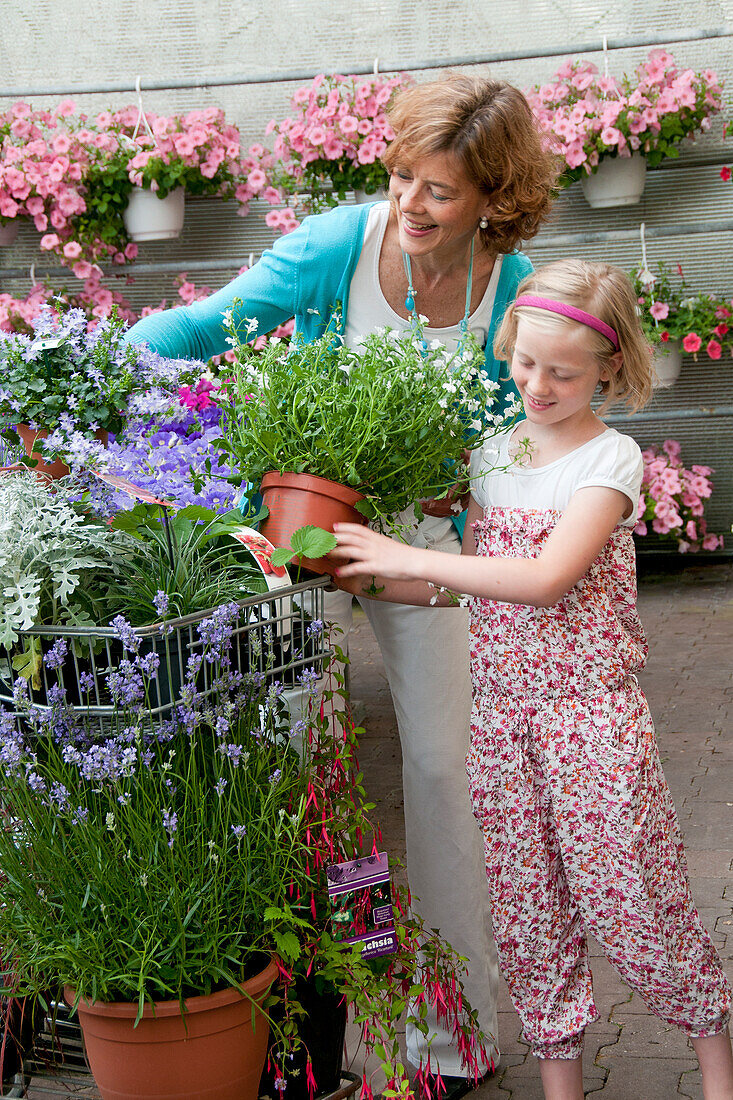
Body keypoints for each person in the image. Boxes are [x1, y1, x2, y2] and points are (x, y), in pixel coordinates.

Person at [124, 74, 558, 1091]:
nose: (409, 203)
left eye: (439, 191)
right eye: (401, 174)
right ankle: (331, 1023)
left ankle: (452, 1035)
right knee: (311, 778)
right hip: (298, 537)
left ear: (492, 197)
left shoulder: (513, 285)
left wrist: (445, 552)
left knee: (446, 772)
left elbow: (509, 449)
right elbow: (176, 335)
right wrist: (158, 447)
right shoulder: (334, 247)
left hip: (420, 548)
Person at [332, 258, 733, 1100]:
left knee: (637, 901)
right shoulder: (491, 452)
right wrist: (367, 576)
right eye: (524, 362)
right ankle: (561, 1088)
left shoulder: (607, 461)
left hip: (589, 720)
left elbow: (545, 578)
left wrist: (405, 550)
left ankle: (715, 1072)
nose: (537, 383)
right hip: (502, 723)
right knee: (528, 912)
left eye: (563, 370)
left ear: (610, 368)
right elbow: (474, 580)